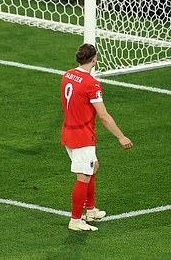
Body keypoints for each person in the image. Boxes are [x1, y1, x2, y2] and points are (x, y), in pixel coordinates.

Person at [61, 43, 133, 231]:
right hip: (82, 135)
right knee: (84, 175)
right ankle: (76, 220)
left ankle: (90, 211)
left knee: (93, 167)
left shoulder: (68, 75)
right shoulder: (91, 84)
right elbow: (103, 116)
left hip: (68, 131)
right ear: (94, 59)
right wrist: (121, 137)